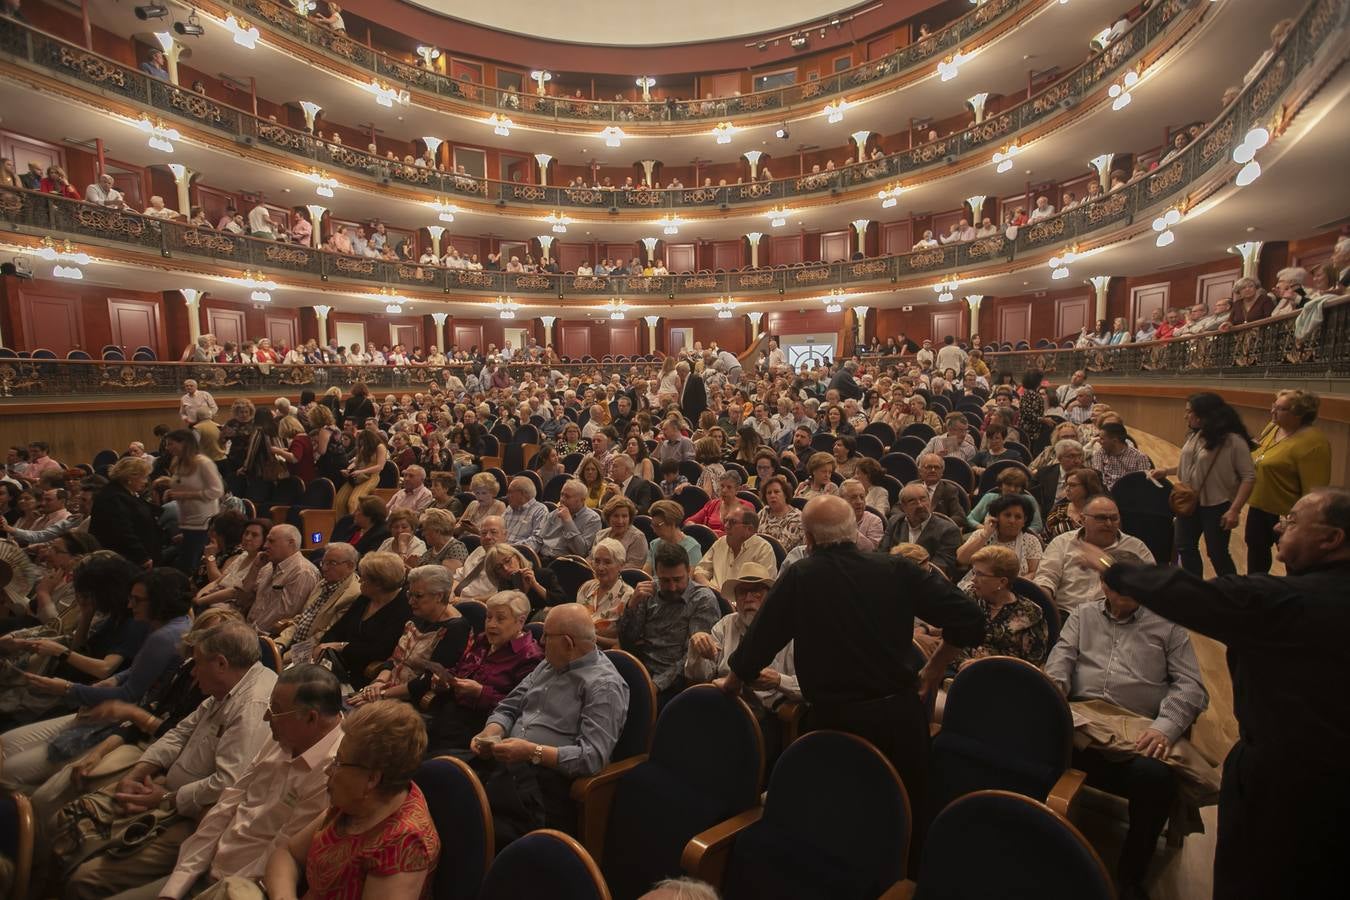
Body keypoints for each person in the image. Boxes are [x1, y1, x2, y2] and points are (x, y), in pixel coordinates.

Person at [1075, 487, 1349, 899]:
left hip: (1284, 781)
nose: (1277, 525)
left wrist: (1112, 567)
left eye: (1291, 520)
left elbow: (1202, 599)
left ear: (1332, 539)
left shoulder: (1292, 600)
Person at [719, 496, 984, 865]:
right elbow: (970, 617)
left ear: (808, 540)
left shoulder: (801, 575)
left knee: (833, 826)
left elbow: (758, 645)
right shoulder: (897, 569)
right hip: (898, 721)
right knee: (902, 820)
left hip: (832, 723)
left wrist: (731, 685)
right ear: (856, 532)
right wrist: (937, 666)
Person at [57, 620, 278, 899]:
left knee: (85, 878)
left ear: (221, 663)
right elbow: (180, 733)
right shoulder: (228, 686)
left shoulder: (252, 705)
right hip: (167, 792)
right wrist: (135, 775)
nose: (194, 674)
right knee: (72, 818)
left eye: (197, 664)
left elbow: (227, 784)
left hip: (196, 820)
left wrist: (165, 798)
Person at [1046, 548, 1209, 898]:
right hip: (1083, 719)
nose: (1123, 593)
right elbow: (1061, 660)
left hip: (1136, 726)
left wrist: (1163, 727)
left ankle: (1131, 876)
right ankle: (1040, 843)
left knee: (1155, 777)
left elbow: (1190, 685)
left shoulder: (1167, 625)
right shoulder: (1083, 615)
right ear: (1104, 586)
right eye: (1117, 586)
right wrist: (1053, 697)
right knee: (1033, 737)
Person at [122, 666, 345, 900]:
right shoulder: (283, 736)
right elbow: (226, 807)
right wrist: (176, 886)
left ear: (311, 717)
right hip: (206, 866)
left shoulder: (332, 771)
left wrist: (215, 889)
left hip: (237, 889)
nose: (266, 717)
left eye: (275, 711)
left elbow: (276, 856)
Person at [469, 603, 630, 843]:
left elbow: (592, 757)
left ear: (567, 643)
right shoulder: (549, 664)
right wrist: (491, 731)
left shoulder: (603, 686)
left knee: (474, 826)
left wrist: (531, 752)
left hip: (544, 785)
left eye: (547, 635)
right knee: (451, 792)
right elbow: (509, 706)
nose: (540, 640)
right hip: (506, 765)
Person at [261, 700, 437, 899]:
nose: (328, 770)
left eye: (338, 762)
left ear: (371, 779)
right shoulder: (355, 803)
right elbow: (288, 854)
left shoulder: (402, 848)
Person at [685, 562, 800, 760]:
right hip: (722, 705)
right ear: (736, 599)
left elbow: (808, 686)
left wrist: (779, 681)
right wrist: (696, 651)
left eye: (757, 593)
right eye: (742, 593)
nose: (749, 599)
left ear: (770, 597)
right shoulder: (725, 625)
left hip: (765, 716)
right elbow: (699, 676)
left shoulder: (789, 630)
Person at [414, 590, 542, 758]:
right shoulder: (484, 639)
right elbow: (460, 668)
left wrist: (481, 693)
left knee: (419, 757)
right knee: (398, 736)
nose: (491, 625)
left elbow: (520, 708)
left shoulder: (531, 657)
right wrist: (444, 680)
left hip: (479, 727)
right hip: (447, 712)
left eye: (500, 619)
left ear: (521, 621)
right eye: (488, 617)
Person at [1148, 393, 1255, 577]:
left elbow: (1249, 477)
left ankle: (1233, 590)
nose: (1185, 416)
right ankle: (1195, 587)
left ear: (1205, 414)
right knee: (1184, 546)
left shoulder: (1233, 441)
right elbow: (1193, 465)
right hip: (1188, 500)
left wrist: (1234, 510)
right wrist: (1167, 471)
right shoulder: (1195, 435)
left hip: (1217, 505)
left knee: (1217, 553)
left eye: (1189, 412)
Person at [620, 542, 721, 707]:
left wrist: (655, 685)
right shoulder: (648, 591)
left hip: (677, 682)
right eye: (665, 580)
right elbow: (627, 641)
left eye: (677, 579)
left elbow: (692, 659)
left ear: (689, 571)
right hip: (642, 669)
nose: (672, 587)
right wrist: (632, 605)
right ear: (656, 573)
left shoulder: (702, 599)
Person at [1244, 389, 1331, 573]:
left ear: (1299, 414)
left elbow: (1314, 491)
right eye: (1273, 406)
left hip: (1288, 515)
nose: (1272, 411)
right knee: (1256, 561)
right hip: (1259, 507)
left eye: (1280, 409)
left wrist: (1293, 521)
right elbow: (1262, 454)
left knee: (1294, 564)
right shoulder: (1273, 427)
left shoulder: (1313, 442)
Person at [1035, 495, 1153, 617]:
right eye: (1101, 518)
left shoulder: (1136, 547)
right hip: (1065, 615)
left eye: (1114, 518)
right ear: (1082, 519)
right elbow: (1045, 579)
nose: (1108, 523)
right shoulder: (1062, 542)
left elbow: (1151, 586)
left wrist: (1106, 563)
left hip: (1115, 620)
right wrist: (1048, 609)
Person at [957, 545, 1049, 667]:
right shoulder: (970, 597)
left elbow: (1032, 666)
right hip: (957, 672)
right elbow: (951, 638)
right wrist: (962, 664)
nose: (973, 579)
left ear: (1002, 582)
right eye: (974, 572)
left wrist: (983, 667)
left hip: (1004, 679)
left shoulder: (1031, 614)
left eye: (980, 574)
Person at [276, 542, 361, 658]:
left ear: (350, 566)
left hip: (314, 652)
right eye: (324, 562)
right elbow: (300, 619)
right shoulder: (323, 583)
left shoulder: (353, 594)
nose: (324, 568)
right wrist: (280, 644)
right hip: (293, 642)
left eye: (332, 563)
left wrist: (286, 656)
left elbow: (325, 636)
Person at [162, 428, 224, 577]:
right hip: (186, 522)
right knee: (184, 563)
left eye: (171, 444)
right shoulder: (178, 463)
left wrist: (184, 495)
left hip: (202, 522)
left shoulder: (203, 463)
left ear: (185, 444)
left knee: (191, 566)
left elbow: (216, 491)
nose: (167, 448)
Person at [243, 524, 320, 635]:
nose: (265, 546)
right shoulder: (267, 565)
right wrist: (255, 568)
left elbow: (284, 616)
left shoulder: (302, 572)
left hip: (266, 637)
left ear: (291, 543)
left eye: (271, 541)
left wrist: (249, 632)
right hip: (248, 628)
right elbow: (243, 596)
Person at [955, 493, 1042, 587]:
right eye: (1007, 515)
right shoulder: (982, 534)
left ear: (1024, 521)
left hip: (1014, 589)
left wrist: (1007, 586)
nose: (1012, 521)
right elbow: (962, 559)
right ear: (997, 517)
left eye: (1018, 517)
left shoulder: (1031, 541)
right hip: (975, 586)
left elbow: (1034, 572)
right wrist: (985, 534)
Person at [89, 455, 159, 566]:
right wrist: (142, 557)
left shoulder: (123, 493)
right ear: (130, 477)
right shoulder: (114, 498)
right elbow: (122, 531)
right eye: (143, 477)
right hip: (126, 560)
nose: (145, 482)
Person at [881, 483, 962, 578]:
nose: (920, 505)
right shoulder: (895, 522)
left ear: (930, 501)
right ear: (903, 507)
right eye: (912, 501)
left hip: (927, 584)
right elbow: (881, 554)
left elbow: (940, 569)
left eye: (923, 499)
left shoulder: (949, 530)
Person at [692, 505, 777, 593]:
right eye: (725, 521)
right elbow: (700, 571)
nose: (726, 526)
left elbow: (761, 590)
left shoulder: (763, 550)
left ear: (749, 529)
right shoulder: (721, 542)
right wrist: (715, 594)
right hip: (712, 598)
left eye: (732, 522)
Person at [539, 479, 602, 564]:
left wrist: (568, 521)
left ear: (582, 500)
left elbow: (582, 552)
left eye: (567, 497)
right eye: (562, 495)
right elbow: (539, 537)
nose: (562, 499)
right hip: (542, 558)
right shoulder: (555, 513)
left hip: (566, 563)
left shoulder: (593, 519)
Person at [910, 452, 968, 523]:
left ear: (942, 472)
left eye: (937, 467)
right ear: (920, 471)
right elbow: (897, 509)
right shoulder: (911, 487)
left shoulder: (949, 490)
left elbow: (960, 517)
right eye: (929, 467)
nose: (933, 470)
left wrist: (938, 525)